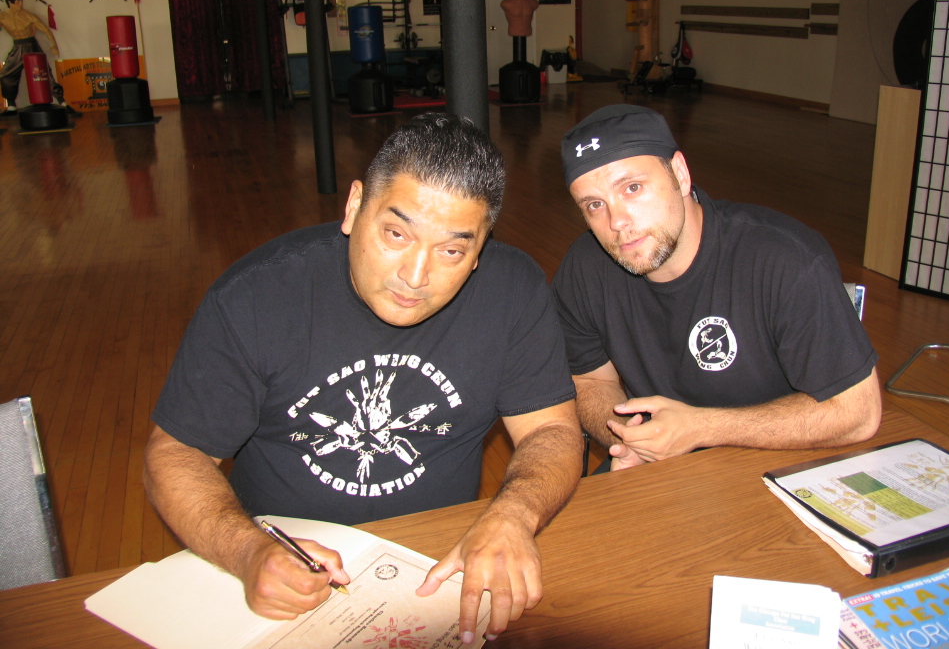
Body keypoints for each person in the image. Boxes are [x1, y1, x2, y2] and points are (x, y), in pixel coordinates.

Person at [144, 113, 582, 644]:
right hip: (286, 566)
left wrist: (515, 514)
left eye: (452, 250)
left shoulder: (514, 291)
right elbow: (174, 455)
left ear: (481, 247)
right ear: (354, 207)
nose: (415, 276)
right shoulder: (257, 298)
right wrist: (247, 551)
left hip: (438, 562)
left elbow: (552, 432)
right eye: (396, 233)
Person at [553, 104, 881, 472]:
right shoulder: (584, 267)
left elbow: (858, 413)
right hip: (658, 471)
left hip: (779, 463)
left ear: (680, 173)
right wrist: (630, 440)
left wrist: (700, 429)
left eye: (632, 188)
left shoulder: (784, 260)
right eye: (594, 205)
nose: (617, 222)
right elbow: (589, 378)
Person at [0, 0, 73, 115]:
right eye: (18, 1)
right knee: (7, 75)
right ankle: (11, 106)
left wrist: (54, 46)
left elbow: (45, 30)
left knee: (44, 73)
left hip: (32, 46)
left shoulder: (28, 15)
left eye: (21, 0)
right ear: (10, 2)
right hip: (17, 47)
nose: (21, 4)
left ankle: (62, 102)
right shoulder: (2, 16)